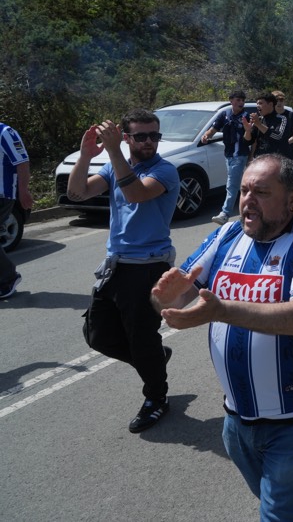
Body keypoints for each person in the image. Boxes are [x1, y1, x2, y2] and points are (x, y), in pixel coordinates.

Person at [151, 154, 293, 522]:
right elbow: (180, 297)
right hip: (237, 416)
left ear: (292, 200)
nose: (247, 200)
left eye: (260, 191)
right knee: (288, 505)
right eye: (243, 191)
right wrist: (165, 296)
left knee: (276, 514)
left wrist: (222, 310)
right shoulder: (226, 234)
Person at [68, 109, 179, 433]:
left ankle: (157, 397)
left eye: (154, 135)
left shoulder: (164, 171)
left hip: (147, 268)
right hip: (115, 265)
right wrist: (87, 155)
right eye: (141, 136)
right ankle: (154, 359)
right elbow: (78, 192)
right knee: (97, 335)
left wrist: (115, 150)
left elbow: (136, 193)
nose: (149, 142)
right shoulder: (115, 165)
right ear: (127, 137)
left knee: (142, 339)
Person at [202, 90, 249, 225]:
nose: (241, 102)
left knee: (231, 185)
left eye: (243, 100)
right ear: (231, 100)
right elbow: (214, 128)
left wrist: (248, 128)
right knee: (240, 186)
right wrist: (206, 136)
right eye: (238, 100)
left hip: (240, 154)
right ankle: (247, 211)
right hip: (228, 154)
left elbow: (251, 136)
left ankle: (225, 214)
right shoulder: (225, 114)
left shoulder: (246, 116)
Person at [0, 121, 32, 299]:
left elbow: (22, 162)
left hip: (3, 194)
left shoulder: (5, 132)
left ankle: (9, 278)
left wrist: (23, 191)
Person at [244, 92, 290, 158]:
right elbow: (248, 141)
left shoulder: (282, 119)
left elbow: (278, 136)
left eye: (260, 103)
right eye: (257, 103)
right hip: (260, 158)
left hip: (277, 160)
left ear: (271, 104)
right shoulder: (259, 119)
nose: (258, 106)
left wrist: (259, 124)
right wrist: (248, 130)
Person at [272, 90, 293, 161]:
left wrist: (283, 144)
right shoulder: (270, 116)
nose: (279, 103)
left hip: (290, 152)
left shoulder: (291, 115)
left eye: (281, 100)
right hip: (274, 152)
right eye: (276, 100)